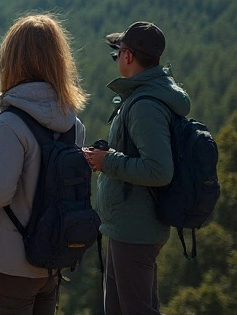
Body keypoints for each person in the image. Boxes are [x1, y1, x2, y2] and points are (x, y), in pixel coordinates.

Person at [0, 14, 89, 315]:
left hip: (12, 262)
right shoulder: (72, 124)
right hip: (52, 256)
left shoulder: (9, 122)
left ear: (13, 59)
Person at [85, 21, 189, 315]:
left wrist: (108, 162)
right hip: (129, 225)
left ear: (128, 56)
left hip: (135, 227)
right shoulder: (149, 96)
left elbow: (159, 170)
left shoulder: (144, 105)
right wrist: (108, 158)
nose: (116, 58)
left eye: (116, 53)